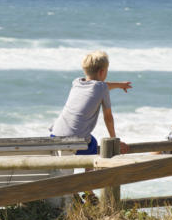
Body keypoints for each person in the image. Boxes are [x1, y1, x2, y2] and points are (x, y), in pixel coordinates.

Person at [50, 50, 131, 204]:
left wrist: (119, 85)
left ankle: (74, 191)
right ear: (102, 72)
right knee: (92, 145)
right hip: (75, 139)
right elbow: (108, 117)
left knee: (72, 157)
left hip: (55, 134)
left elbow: (98, 85)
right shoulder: (102, 88)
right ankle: (88, 189)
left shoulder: (76, 82)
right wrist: (115, 140)